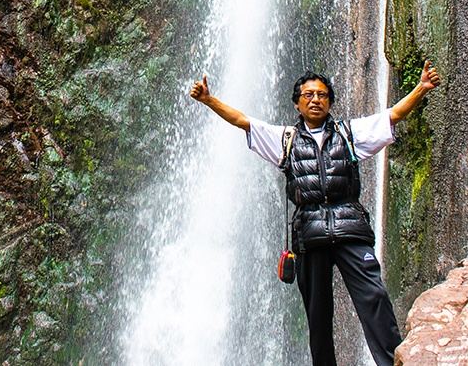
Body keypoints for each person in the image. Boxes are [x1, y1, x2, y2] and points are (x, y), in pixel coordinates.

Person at [187, 61, 442, 366]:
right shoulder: (286, 140)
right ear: (297, 103)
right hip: (310, 234)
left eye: (322, 95)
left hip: (349, 228)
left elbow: (393, 115)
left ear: (330, 101)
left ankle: (392, 361)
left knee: (374, 298)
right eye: (308, 95)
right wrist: (208, 100)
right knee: (317, 315)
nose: (315, 100)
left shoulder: (349, 134)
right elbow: (244, 121)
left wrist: (422, 87)